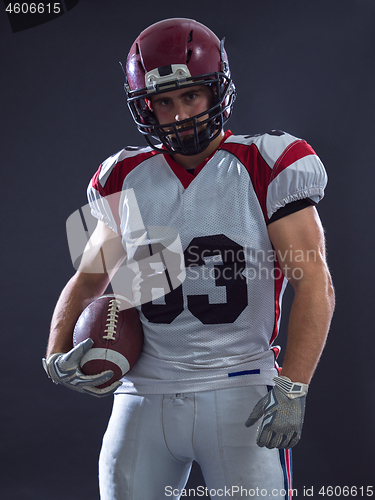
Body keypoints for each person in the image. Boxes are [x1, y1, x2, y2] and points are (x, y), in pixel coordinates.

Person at [43, 18, 335, 500]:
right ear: (146, 107)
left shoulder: (268, 162)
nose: (179, 115)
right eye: (163, 102)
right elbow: (89, 275)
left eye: (190, 96)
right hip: (143, 392)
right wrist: (56, 349)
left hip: (239, 387)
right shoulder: (123, 174)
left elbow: (314, 282)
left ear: (216, 92)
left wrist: (295, 385)